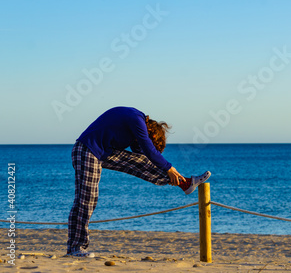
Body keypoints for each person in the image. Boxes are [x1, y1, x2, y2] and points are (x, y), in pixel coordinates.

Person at [66, 106, 211, 258]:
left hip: (102, 152)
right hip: (87, 150)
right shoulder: (136, 119)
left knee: (141, 161)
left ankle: (185, 183)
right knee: (86, 200)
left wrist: (167, 172)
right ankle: (75, 247)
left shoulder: (135, 124)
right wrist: (168, 167)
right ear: (152, 133)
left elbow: (143, 155)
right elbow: (148, 147)